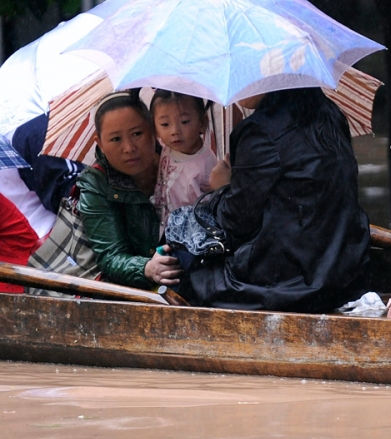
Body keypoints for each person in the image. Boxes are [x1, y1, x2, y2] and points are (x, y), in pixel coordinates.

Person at [183, 87, 371, 313]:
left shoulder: (258, 130)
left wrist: (222, 188)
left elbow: (235, 223)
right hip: (343, 276)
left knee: (182, 248)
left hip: (288, 286)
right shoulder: (331, 115)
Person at [77, 91, 184, 289]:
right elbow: (110, 257)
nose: (128, 148)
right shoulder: (96, 183)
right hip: (135, 293)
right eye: (115, 139)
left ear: (153, 130)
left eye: (137, 134)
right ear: (99, 143)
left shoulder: (180, 161)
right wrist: (147, 268)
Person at [149, 90, 217, 234]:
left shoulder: (205, 170)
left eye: (184, 122)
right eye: (165, 124)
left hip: (188, 239)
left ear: (202, 122)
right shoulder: (168, 148)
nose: (175, 131)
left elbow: (207, 217)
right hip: (163, 227)